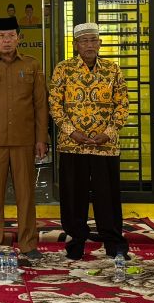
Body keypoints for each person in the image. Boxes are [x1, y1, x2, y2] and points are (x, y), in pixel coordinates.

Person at [0, 16, 48, 261]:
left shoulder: (32, 64)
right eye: (1, 36)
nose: (6, 40)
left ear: (19, 38)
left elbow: (40, 105)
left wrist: (41, 138)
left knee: (26, 196)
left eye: (11, 36)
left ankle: (28, 244)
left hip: (24, 141)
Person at [50, 22, 129, 260]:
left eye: (93, 40)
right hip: (72, 145)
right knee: (74, 197)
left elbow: (122, 105)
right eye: (84, 41)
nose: (89, 45)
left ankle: (114, 244)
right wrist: (71, 132)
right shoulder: (63, 69)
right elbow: (54, 104)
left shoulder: (113, 70)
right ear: (76, 45)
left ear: (100, 43)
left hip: (105, 146)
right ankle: (76, 244)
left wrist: (109, 132)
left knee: (108, 197)